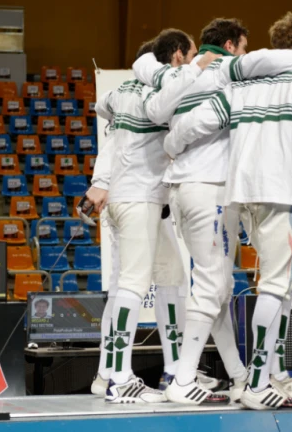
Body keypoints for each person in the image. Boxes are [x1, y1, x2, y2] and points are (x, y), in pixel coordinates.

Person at [132, 15, 292, 405]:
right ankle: (256, 383)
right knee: (269, 288)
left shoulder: (234, 87)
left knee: (231, 287)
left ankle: (248, 376)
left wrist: (173, 153)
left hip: (234, 194)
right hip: (267, 193)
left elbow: (184, 125)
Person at [87, 29, 228, 404]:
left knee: (170, 277)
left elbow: (103, 111)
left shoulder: (121, 91)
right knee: (131, 284)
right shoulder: (159, 92)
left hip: (135, 197)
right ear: (178, 56)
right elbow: (159, 114)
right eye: (193, 53)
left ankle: (172, 368)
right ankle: (117, 377)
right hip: (137, 198)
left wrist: (101, 178)